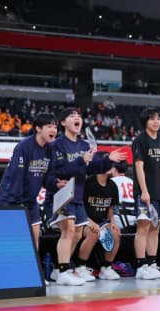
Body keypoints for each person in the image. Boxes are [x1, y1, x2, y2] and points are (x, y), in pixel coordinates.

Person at [46, 108, 125, 286]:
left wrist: (109, 159)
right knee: (69, 231)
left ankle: (59, 270)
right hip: (61, 195)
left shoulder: (83, 145)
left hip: (78, 197)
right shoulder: (56, 145)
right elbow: (60, 171)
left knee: (77, 234)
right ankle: (65, 270)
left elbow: (93, 168)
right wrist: (82, 161)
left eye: (79, 116)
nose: (77, 119)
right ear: (63, 122)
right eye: (72, 116)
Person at [0, 113, 58, 249]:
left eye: (55, 127)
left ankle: (31, 269)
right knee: (12, 239)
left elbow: (47, 178)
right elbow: (16, 176)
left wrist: (55, 184)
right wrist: (17, 203)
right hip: (10, 199)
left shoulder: (50, 150)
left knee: (35, 237)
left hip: (31, 201)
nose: (54, 130)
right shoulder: (23, 147)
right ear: (38, 128)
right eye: (49, 126)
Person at [132, 107, 160, 280]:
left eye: (158, 118)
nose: (156, 121)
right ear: (145, 122)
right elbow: (139, 166)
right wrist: (144, 191)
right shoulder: (140, 140)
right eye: (152, 118)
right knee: (144, 227)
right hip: (146, 193)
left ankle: (151, 263)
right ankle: (141, 266)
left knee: (156, 228)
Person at [77, 151, 121, 280]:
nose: (111, 166)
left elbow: (110, 207)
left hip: (102, 222)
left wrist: (112, 221)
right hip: (84, 220)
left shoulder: (113, 186)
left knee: (116, 234)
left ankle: (106, 268)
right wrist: (90, 222)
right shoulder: (88, 182)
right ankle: (80, 267)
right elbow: (80, 206)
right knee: (93, 232)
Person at [110, 160, 136, 227]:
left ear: (114, 169)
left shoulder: (111, 182)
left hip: (118, 220)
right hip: (134, 220)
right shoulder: (132, 182)